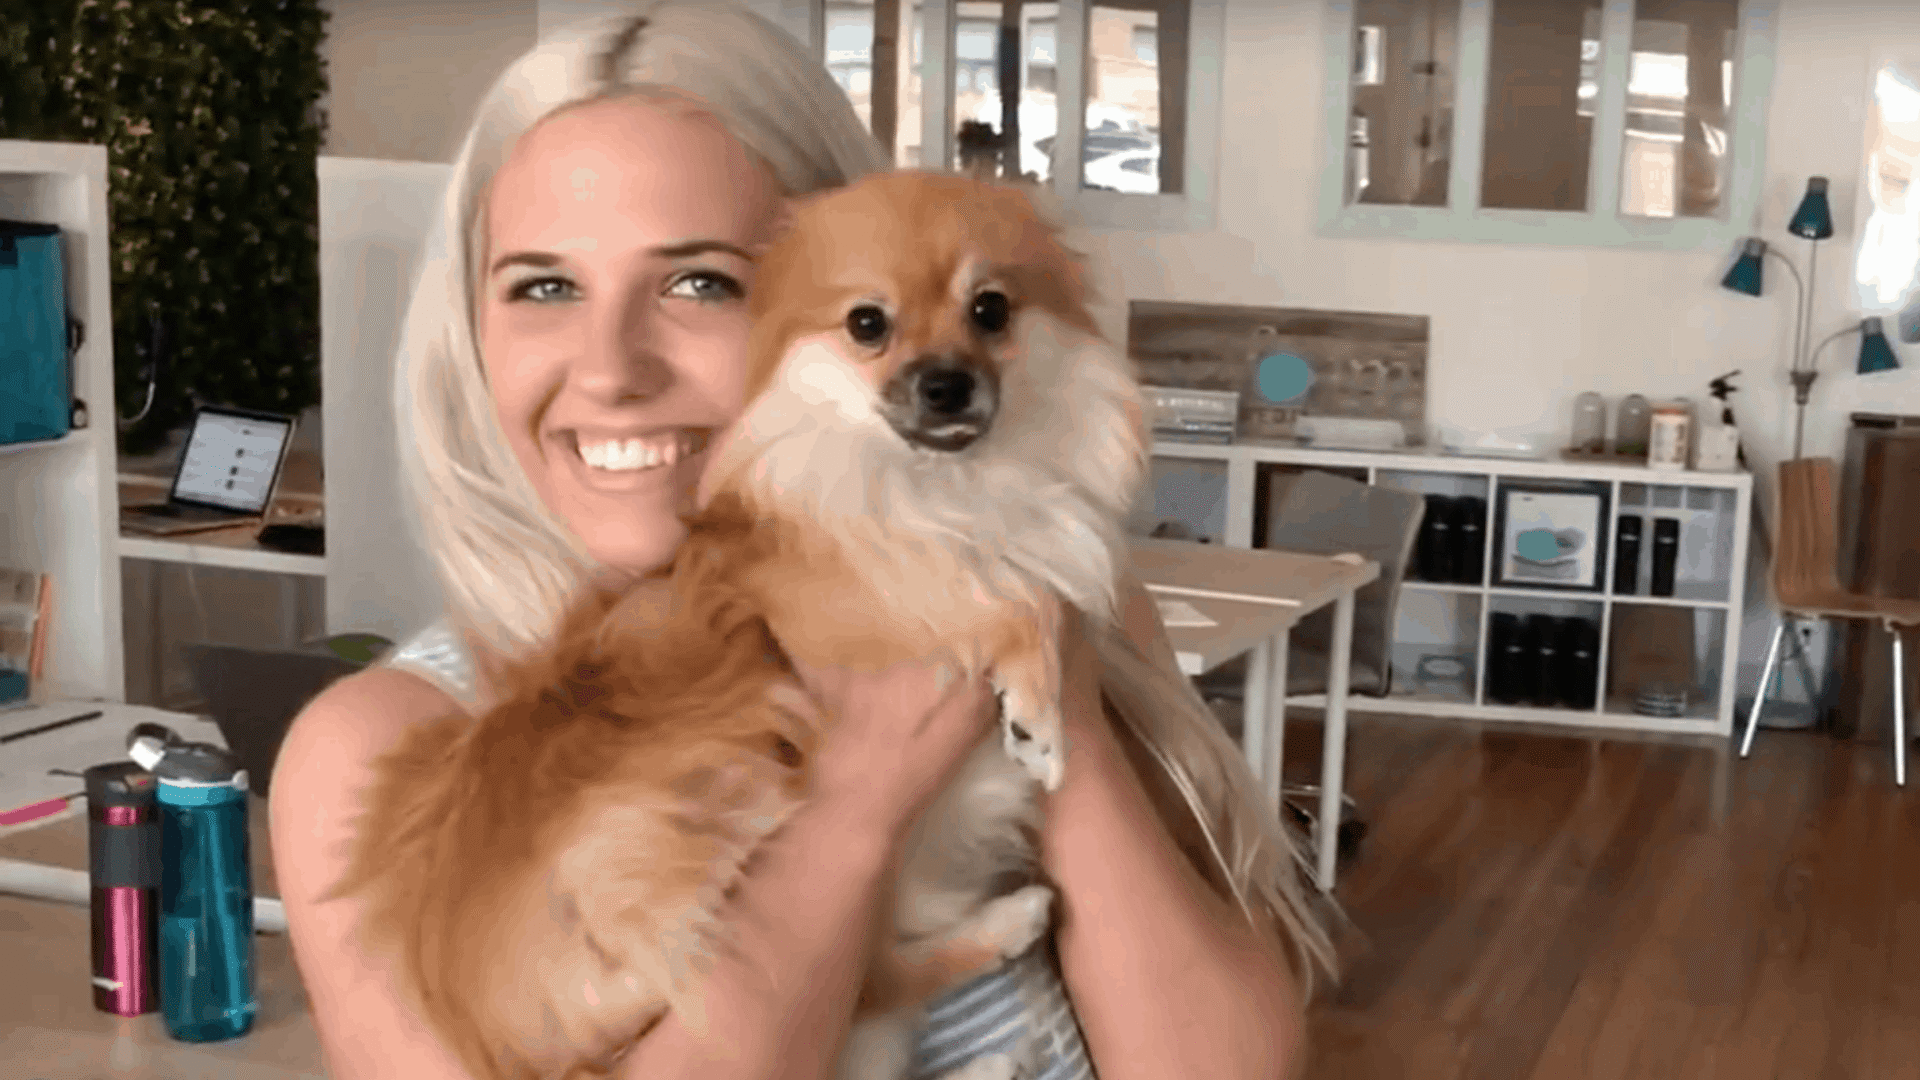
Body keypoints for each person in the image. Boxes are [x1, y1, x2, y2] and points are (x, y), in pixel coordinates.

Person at [269, 5, 1322, 1080]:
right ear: (467, 331)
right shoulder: (383, 750)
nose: (611, 368)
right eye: (544, 286)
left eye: (701, 283)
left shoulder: (1028, 610)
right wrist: (854, 809)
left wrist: (1058, 686)